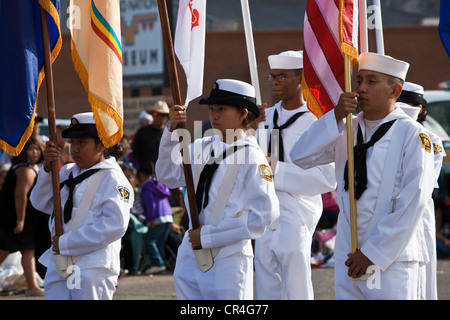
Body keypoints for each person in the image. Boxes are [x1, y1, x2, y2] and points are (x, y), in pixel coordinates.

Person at [289, 52, 436, 299]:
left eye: (372, 81)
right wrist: (334, 117)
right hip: (348, 254)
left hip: (390, 259)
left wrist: (374, 253)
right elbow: (300, 156)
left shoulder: (412, 134)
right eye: (359, 81)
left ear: (395, 91)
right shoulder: (347, 128)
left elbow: (414, 200)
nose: (361, 89)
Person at [155, 79, 279, 299]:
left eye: (222, 108)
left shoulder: (253, 156)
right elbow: (168, 175)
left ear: (242, 114)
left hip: (228, 258)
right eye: (212, 109)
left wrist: (210, 236)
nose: (214, 115)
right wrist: (171, 132)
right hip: (192, 253)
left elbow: (264, 215)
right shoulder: (203, 146)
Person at [252, 50, 336, 300]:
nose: (275, 81)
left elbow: (326, 178)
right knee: (267, 282)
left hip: (297, 210)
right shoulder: (264, 120)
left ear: (301, 80)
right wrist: (250, 130)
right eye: (273, 76)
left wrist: (278, 170)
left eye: (283, 76)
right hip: (265, 209)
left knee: (296, 282)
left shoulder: (316, 121)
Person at [29, 112, 133, 300]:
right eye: (73, 142)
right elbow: (39, 202)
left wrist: (67, 242)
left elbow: (115, 225)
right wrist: (47, 169)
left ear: (101, 144)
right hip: (60, 263)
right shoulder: (68, 172)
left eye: (82, 142)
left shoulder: (113, 178)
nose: (75, 149)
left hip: (92, 265)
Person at [397, 82, 446, 300]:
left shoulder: (429, 139)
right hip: (394, 213)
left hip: (416, 212)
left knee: (421, 277)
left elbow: (424, 184)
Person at [0, 138, 45, 296]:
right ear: (23, 151)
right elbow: (20, 196)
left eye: (37, 149)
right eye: (31, 149)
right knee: (28, 250)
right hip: (17, 217)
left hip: (12, 217)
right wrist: (20, 220)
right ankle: (32, 287)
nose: (35, 152)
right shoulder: (25, 169)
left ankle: (32, 286)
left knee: (4, 249)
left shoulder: (25, 167)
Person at [138, 162, 173, 274]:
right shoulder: (159, 185)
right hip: (167, 216)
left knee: (150, 240)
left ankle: (158, 263)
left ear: (142, 174)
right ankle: (162, 264)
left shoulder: (147, 187)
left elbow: (150, 204)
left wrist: (151, 218)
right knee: (160, 242)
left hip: (157, 218)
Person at [131, 101, 170, 169]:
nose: (159, 117)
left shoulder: (169, 134)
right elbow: (135, 154)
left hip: (165, 172)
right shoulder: (142, 132)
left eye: (162, 115)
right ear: (152, 115)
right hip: (146, 173)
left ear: (167, 118)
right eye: (156, 113)